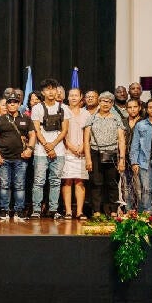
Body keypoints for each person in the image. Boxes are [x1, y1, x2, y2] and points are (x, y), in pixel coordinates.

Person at [0, 92, 34, 221]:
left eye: (15, 102)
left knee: (20, 185)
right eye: (9, 102)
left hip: (21, 158)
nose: (12, 104)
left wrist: (30, 149)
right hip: (3, 158)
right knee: (4, 185)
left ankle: (19, 211)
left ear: (19, 104)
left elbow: (32, 135)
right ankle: (4, 210)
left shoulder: (26, 119)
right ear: (7, 104)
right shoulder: (0, 119)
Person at [83, 92, 126, 218]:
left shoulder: (116, 118)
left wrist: (122, 159)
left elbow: (121, 140)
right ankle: (96, 210)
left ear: (112, 103)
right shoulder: (92, 118)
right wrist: (88, 159)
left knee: (112, 182)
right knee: (96, 183)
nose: (105, 104)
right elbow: (86, 140)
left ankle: (113, 210)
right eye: (103, 101)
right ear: (99, 102)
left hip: (111, 153)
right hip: (95, 153)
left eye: (108, 101)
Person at [30, 79, 69, 218]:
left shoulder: (64, 108)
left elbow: (64, 130)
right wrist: (47, 146)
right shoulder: (37, 108)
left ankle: (53, 210)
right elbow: (36, 130)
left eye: (53, 89)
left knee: (55, 180)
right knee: (39, 180)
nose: (51, 92)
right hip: (41, 150)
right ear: (43, 92)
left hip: (58, 150)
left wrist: (53, 145)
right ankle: (36, 209)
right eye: (48, 89)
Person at [61, 88, 90, 219]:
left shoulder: (86, 114)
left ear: (81, 97)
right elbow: (62, 133)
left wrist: (83, 146)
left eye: (76, 95)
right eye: (71, 95)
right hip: (67, 151)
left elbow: (88, 134)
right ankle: (68, 211)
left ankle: (79, 211)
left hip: (82, 152)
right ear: (68, 97)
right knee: (67, 181)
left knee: (79, 182)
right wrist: (71, 146)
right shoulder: (63, 111)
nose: (73, 98)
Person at [120, 98, 143, 212]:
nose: (132, 109)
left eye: (135, 107)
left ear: (139, 108)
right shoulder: (122, 122)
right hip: (125, 157)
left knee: (139, 186)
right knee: (126, 185)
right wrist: (121, 158)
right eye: (130, 107)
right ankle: (128, 210)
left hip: (139, 158)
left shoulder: (144, 122)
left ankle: (140, 211)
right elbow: (120, 140)